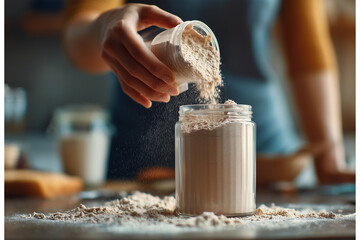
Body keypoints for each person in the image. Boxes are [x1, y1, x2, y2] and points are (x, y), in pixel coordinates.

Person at [63, 0, 355, 184]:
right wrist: (104, 26)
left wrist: (328, 154)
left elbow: (308, 49)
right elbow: (78, 35)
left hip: (264, 163)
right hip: (145, 170)